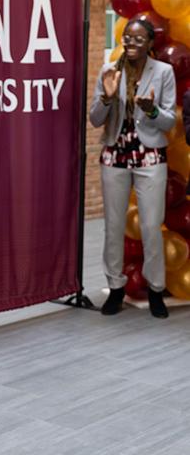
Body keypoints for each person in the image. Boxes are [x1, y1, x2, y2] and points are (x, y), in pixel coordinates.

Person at [90, 16, 176, 318]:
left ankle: (155, 290)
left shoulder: (163, 72)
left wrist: (151, 109)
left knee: (152, 227)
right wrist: (107, 97)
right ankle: (115, 289)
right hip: (115, 154)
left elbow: (169, 121)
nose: (131, 43)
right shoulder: (108, 70)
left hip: (149, 155)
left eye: (139, 39)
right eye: (127, 37)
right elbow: (95, 119)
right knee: (113, 226)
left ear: (150, 43)